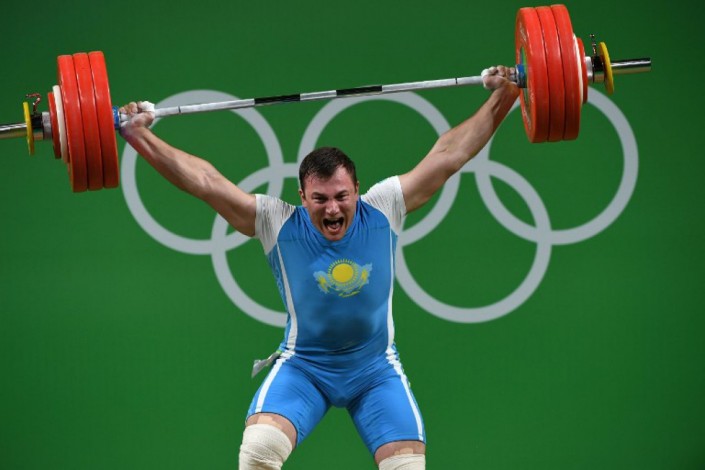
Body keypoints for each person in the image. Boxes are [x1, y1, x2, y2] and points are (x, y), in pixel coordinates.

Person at [119, 65, 519, 470]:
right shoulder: (276, 222)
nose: (332, 209)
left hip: (375, 370)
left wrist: (507, 92)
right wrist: (137, 135)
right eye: (320, 198)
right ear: (302, 196)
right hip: (305, 368)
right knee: (258, 453)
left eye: (341, 196)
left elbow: (449, 155)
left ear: (357, 190)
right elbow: (205, 181)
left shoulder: (384, 207)